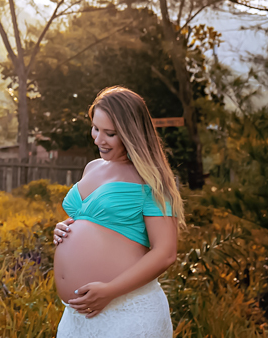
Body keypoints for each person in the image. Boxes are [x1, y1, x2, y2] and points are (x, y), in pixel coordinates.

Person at [50, 86, 185, 337]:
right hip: (77, 317)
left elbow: (166, 253)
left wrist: (110, 290)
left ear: (131, 134)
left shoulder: (151, 180)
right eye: (95, 128)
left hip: (127, 313)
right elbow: (98, 223)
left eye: (109, 133)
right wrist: (65, 226)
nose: (98, 139)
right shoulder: (92, 168)